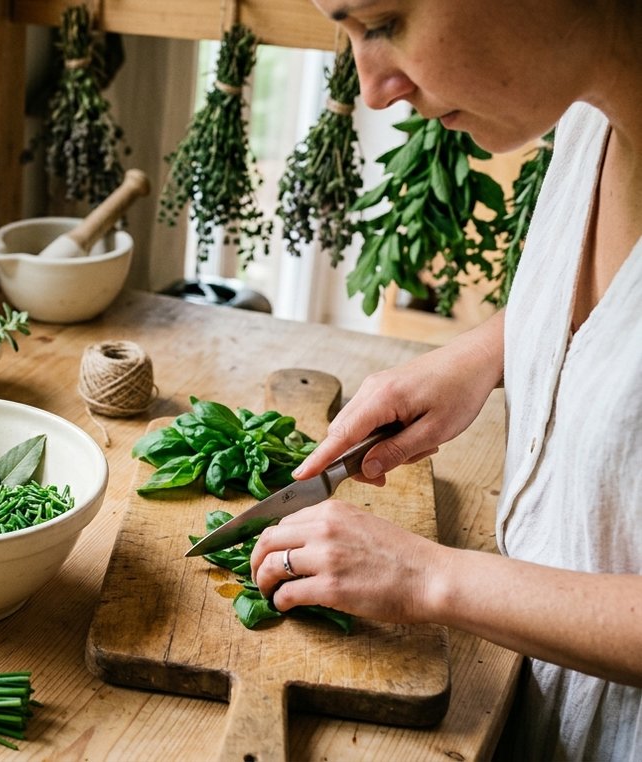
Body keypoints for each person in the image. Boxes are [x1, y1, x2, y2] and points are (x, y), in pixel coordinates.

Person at [247, 0, 642, 758]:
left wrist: (429, 579)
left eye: (384, 22)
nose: (373, 89)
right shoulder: (592, 112)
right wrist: (490, 352)